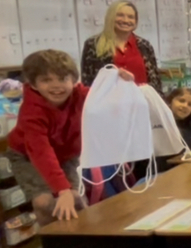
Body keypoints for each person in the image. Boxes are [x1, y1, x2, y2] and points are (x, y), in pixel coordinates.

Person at [5, 50, 132, 225]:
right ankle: (52, 239)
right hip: (28, 156)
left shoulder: (81, 95)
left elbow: (109, 96)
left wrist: (121, 81)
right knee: (44, 202)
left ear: (73, 80)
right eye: (46, 80)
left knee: (76, 197)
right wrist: (62, 190)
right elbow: (41, 152)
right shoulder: (32, 112)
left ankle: (85, 234)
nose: (56, 86)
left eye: (63, 79)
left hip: (66, 153)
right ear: (33, 84)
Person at [79, 1, 161, 90]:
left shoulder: (145, 46)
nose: (125, 20)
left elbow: (155, 81)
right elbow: (88, 82)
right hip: (109, 98)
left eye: (131, 17)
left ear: (136, 21)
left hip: (142, 98)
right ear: (111, 17)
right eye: (120, 15)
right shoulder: (93, 44)